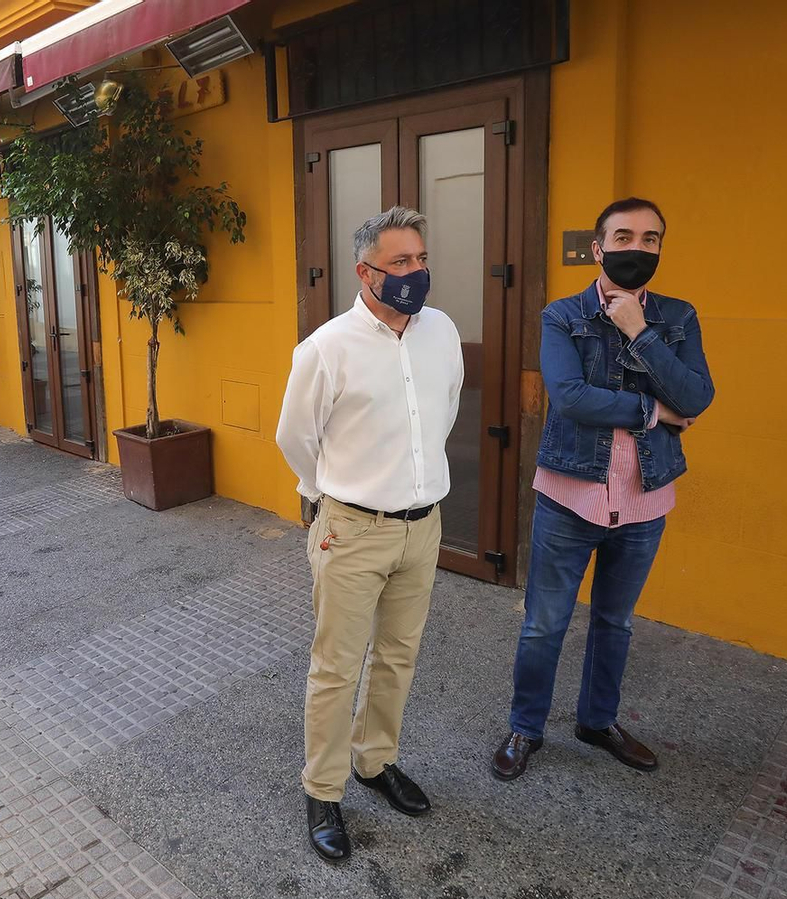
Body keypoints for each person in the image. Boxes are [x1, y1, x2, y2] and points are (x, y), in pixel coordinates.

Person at [491, 197, 715, 782]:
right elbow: (569, 397)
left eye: (650, 239)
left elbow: (696, 398)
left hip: (645, 500)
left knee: (615, 621)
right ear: (598, 248)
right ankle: (525, 726)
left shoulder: (677, 316)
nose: (637, 248)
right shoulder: (562, 315)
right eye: (624, 237)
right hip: (571, 495)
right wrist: (653, 411)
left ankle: (598, 721)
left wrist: (639, 333)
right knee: (544, 623)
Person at [276, 206, 463, 861]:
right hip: (352, 530)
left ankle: (374, 762)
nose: (416, 272)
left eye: (421, 258)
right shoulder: (327, 347)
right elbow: (294, 437)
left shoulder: (441, 331)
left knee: (398, 655)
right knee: (335, 668)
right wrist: (324, 490)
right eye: (400, 263)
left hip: (422, 528)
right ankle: (322, 790)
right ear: (366, 271)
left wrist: (409, 480)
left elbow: (444, 411)